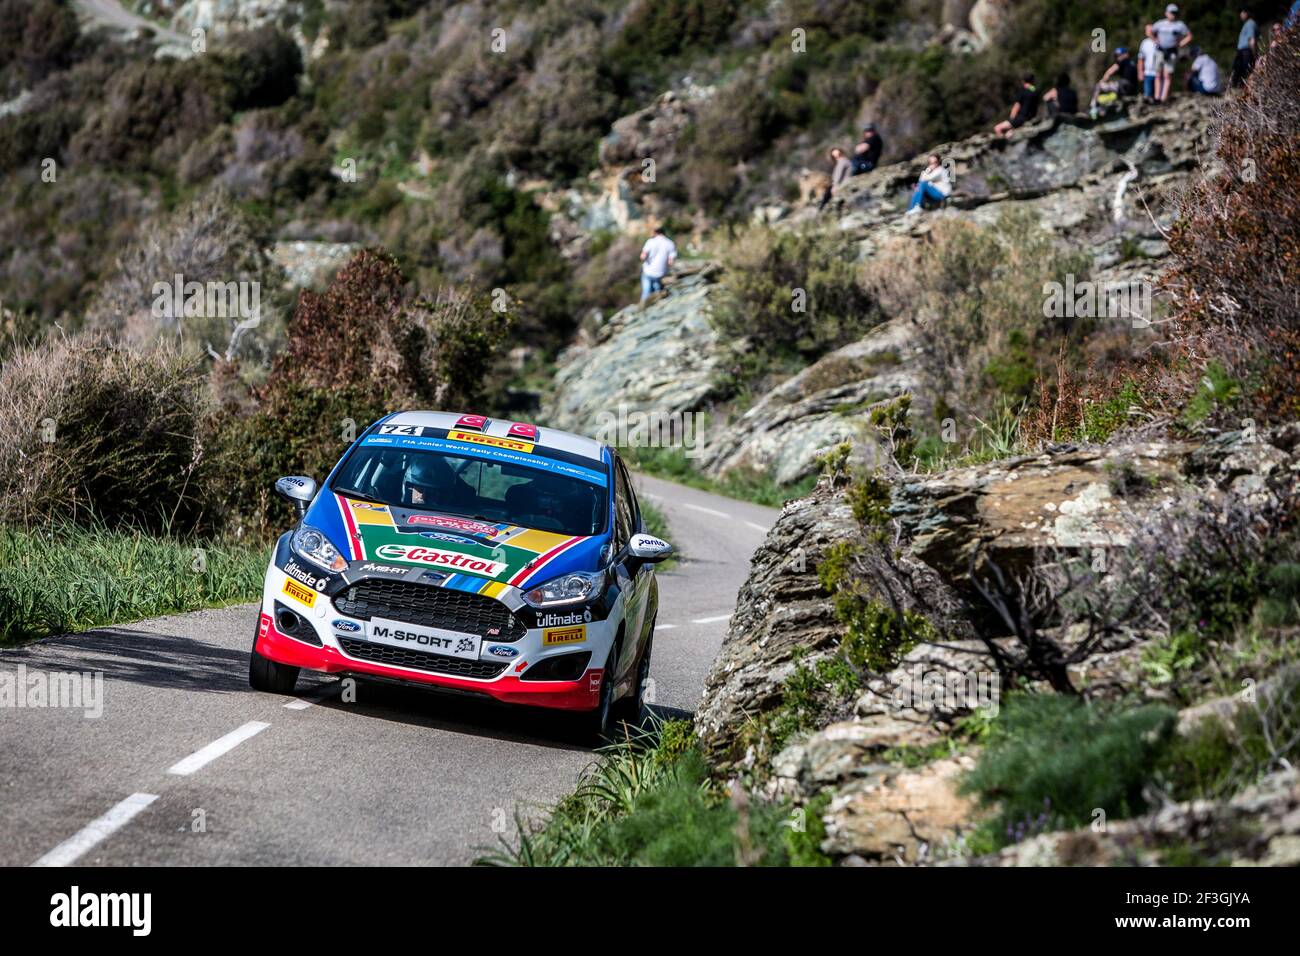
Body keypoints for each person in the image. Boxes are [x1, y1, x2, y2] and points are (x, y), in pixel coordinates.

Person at [1148, 4, 1193, 103]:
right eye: (1171, 12)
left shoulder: (1180, 25)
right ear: (1166, 13)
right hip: (1160, 51)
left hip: (1171, 52)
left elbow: (1189, 36)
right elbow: (1149, 31)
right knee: (1158, 74)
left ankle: (1163, 98)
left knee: (1167, 75)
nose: (1173, 15)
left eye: (1175, 13)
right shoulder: (1160, 23)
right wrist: (1155, 40)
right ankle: (1157, 97)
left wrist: (1180, 44)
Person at [639, 226, 676, 303]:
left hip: (648, 272)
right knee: (658, 293)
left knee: (646, 292)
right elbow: (670, 262)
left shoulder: (650, 242)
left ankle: (642, 308)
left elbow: (643, 256)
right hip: (660, 273)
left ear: (656, 233)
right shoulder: (670, 243)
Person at [1233, 9, 1258, 88]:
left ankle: (1243, 88)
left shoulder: (1250, 23)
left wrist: (1254, 54)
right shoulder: (1247, 24)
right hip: (1242, 51)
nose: (1241, 15)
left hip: (1246, 51)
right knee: (1239, 71)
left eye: (1242, 13)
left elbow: (1252, 40)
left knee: (1245, 71)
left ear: (1247, 13)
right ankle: (1238, 88)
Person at [1138, 33, 1159, 100]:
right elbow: (1141, 58)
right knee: (1147, 95)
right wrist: (1140, 71)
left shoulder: (1161, 40)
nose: (1149, 32)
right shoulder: (1145, 43)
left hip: (1159, 73)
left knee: (1157, 97)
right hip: (1148, 73)